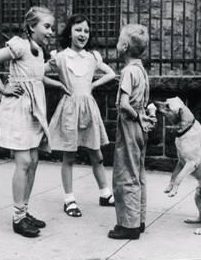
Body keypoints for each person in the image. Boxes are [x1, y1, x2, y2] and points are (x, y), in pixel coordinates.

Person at [0, 6, 68, 238]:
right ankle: (18, 217)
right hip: (18, 109)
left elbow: (36, 78)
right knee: (23, 162)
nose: (51, 31)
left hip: (34, 111)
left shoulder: (38, 51)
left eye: (52, 27)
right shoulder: (19, 45)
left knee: (33, 160)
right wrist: (2, 87)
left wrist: (58, 84)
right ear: (32, 26)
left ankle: (24, 210)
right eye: (47, 26)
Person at [46, 14, 116, 217]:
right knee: (69, 156)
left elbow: (111, 73)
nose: (82, 34)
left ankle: (105, 193)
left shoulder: (92, 57)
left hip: (88, 110)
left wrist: (94, 84)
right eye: (78, 30)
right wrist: (58, 84)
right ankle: (69, 199)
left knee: (97, 154)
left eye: (86, 30)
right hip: (69, 110)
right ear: (69, 32)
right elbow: (38, 73)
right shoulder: (60, 57)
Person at [108, 24, 156, 240]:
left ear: (124, 46)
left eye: (119, 39)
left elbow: (125, 104)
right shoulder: (142, 70)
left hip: (130, 123)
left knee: (125, 173)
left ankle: (128, 226)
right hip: (141, 127)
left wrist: (136, 116)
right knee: (138, 172)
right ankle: (139, 219)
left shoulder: (128, 71)